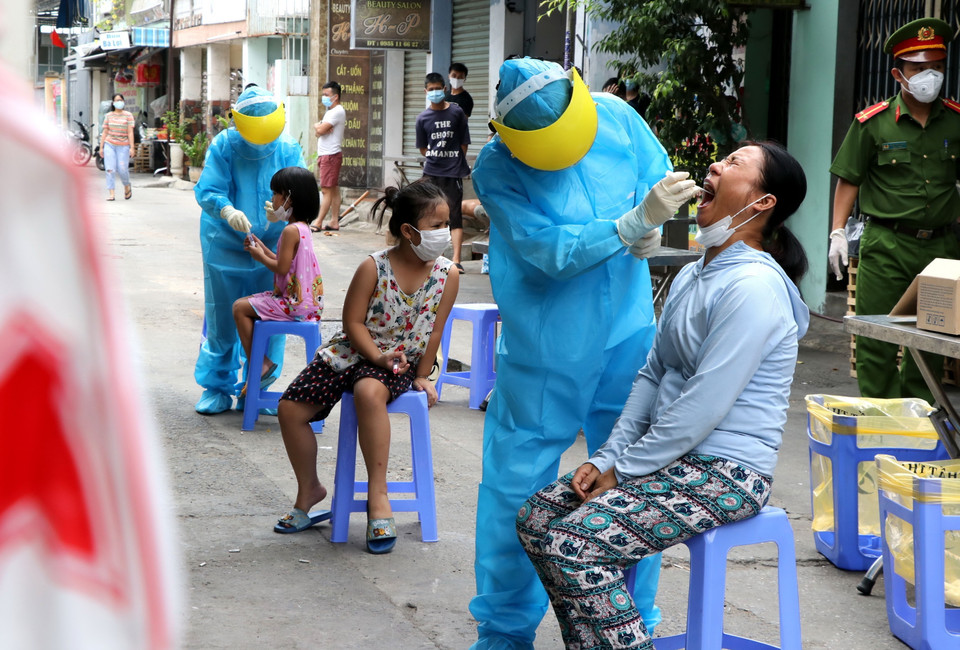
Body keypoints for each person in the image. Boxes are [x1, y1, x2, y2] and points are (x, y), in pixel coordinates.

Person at [517, 141, 811, 649]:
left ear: (763, 203)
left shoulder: (754, 287)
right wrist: (608, 455)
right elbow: (652, 377)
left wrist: (623, 471)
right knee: (539, 519)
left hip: (727, 470)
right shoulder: (694, 274)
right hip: (673, 459)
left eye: (735, 163)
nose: (715, 165)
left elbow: (704, 404)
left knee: (576, 544)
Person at [469, 57, 699, 650]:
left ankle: (631, 619)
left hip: (627, 334)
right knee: (515, 490)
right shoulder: (498, 165)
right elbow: (550, 252)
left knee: (629, 479)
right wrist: (629, 224)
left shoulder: (617, 117)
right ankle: (504, 629)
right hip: (546, 347)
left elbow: (670, 199)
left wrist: (661, 238)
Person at [274, 180, 460, 552]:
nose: (445, 232)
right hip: (354, 351)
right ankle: (309, 488)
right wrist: (374, 355)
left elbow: (435, 330)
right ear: (409, 231)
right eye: (437, 225)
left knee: (368, 390)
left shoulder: (447, 275)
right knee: (289, 408)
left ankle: (379, 496)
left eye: (446, 223)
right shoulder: (373, 267)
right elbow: (353, 323)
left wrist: (423, 375)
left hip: (399, 360)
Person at [829, 18, 960, 403]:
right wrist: (838, 232)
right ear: (898, 74)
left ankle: (920, 423)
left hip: (942, 250)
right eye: (919, 68)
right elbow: (849, 179)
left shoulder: (955, 120)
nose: (929, 76)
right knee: (877, 339)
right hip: (887, 245)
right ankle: (882, 420)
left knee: (932, 342)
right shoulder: (873, 123)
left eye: (936, 66)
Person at [193, 85, 306, 415]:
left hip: (272, 246)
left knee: (269, 314)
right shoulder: (225, 145)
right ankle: (217, 386)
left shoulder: (286, 148)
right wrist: (226, 209)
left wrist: (284, 212)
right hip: (224, 243)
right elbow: (210, 189)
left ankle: (256, 389)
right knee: (222, 315)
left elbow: (302, 191)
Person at [233, 166, 324, 397]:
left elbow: (281, 268)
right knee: (247, 303)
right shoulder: (303, 228)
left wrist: (258, 256)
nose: (272, 200)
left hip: (293, 304)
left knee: (239, 308)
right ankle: (261, 362)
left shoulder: (290, 231)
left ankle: (261, 362)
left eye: (276, 194)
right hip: (306, 303)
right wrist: (263, 248)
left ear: (289, 197)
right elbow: (288, 264)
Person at [417, 72, 471, 271]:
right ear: (425, 92)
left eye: (438, 89)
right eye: (430, 90)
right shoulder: (422, 118)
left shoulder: (456, 113)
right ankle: (434, 259)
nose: (434, 92)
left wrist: (455, 161)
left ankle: (456, 260)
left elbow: (464, 142)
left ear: (445, 89)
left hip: (453, 173)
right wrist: (436, 156)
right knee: (430, 215)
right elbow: (423, 147)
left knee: (454, 214)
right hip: (432, 172)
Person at [312, 81, 346, 232]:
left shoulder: (338, 111)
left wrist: (319, 127)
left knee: (326, 190)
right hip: (326, 155)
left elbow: (321, 129)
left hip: (330, 155)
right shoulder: (329, 112)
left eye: (327, 95)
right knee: (333, 188)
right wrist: (318, 127)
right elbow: (319, 131)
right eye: (323, 94)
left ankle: (318, 222)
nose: (324, 97)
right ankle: (334, 221)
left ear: (335, 96)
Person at [100, 93, 134, 201]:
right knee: (110, 169)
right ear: (113, 103)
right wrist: (101, 147)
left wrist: (132, 147)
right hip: (109, 144)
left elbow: (130, 132)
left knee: (122, 169)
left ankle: (127, 186)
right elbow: (105, 132)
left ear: (123, 102)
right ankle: (111, 193)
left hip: (123, 146)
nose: (119, 102)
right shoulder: (108, 116)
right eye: (116, 100)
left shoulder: (128, 115)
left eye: (120, 100)